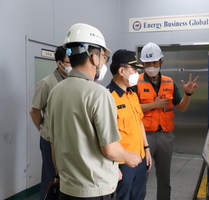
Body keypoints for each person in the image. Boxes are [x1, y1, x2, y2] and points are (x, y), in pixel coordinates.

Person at [44, 23, 142, 200]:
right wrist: (129, 157)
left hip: (67, 188)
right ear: (94, 57)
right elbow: (110, 149)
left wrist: (59, 175)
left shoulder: (56, 92)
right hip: (95, 190)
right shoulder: (99, 94)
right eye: (104, 57)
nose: (104, 62)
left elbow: (53, 143)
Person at [134, 42, 199, 200]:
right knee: (141, 179)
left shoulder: (170, 82)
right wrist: (154, 105)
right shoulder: (135, 82)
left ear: (161, 62)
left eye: (154, 62)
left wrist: (188, 95)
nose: (151, 66)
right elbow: (131, 110)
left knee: (164, 179)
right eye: (147, 63)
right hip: (143, 137)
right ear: (143, 63)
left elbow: (181, 107)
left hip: (165, 137)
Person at [106, 49, 152, 200]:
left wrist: (146, 149)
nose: (137, 74)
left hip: (139, 158)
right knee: (122, 197)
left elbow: (139, 123)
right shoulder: (108, 97)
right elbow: (104, 136)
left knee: (139, 196)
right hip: (121, 162)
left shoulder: (132, 95)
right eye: (134, 69)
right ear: (122, 70)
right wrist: (112, 166)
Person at [29, 45, 71, 200]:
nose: (72, 64)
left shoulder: (74, 82)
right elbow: (34, 111)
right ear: (59, 63)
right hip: (50, 140)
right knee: (50, 178)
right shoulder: (46, 83)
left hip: (68, 138)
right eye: (69, 62)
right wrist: (43, 130)